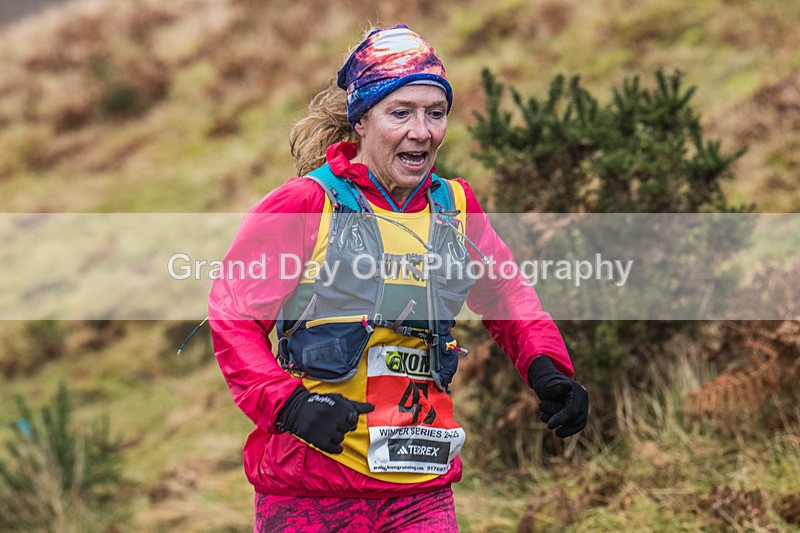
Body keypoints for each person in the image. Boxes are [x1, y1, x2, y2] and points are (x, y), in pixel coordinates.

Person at [208, 25, 588, 532]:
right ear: (361, 120)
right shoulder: (303, 204)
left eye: (436, 113)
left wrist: (548, 369)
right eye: (401, 112)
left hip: (421, 491)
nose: (422, 131)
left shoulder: (454, 206)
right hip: (312, 487)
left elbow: (506, 294)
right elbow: (233, 317)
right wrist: (290, 405)